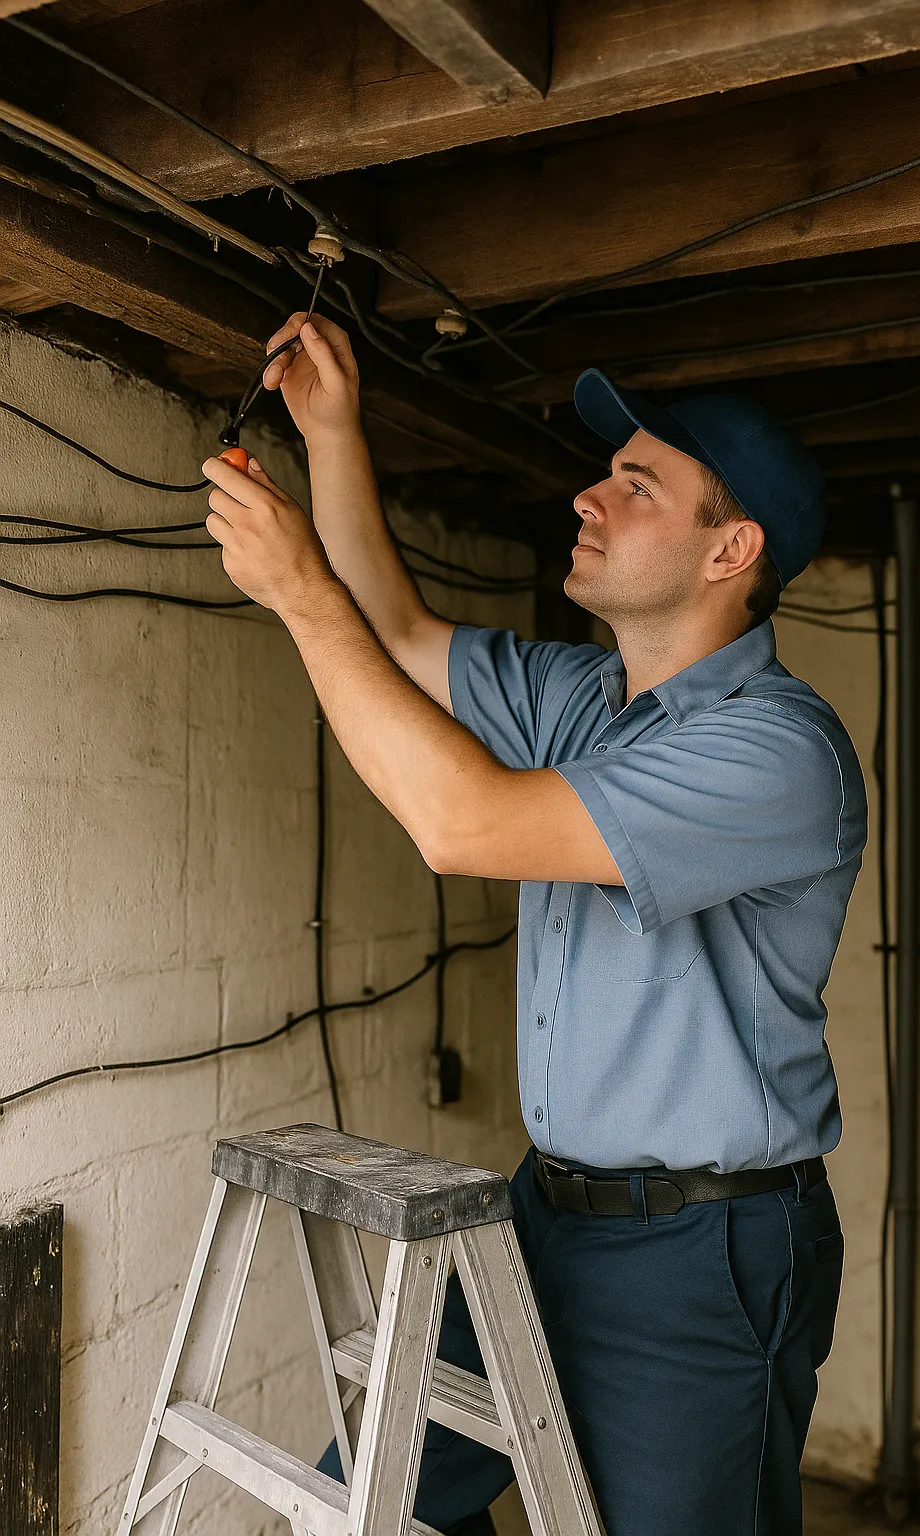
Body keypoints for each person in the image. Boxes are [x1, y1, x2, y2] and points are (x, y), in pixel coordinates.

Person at [202, 313, 866, 1536]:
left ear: (733, 550)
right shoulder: (585, 698)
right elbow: (396, 636)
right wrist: (332, 431)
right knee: (379, 1502)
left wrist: (296, 595)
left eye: (634, 482)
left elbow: (464, 826)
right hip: (544, 1210)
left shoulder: (776, 750)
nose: (587, 494)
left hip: (701, 1251)